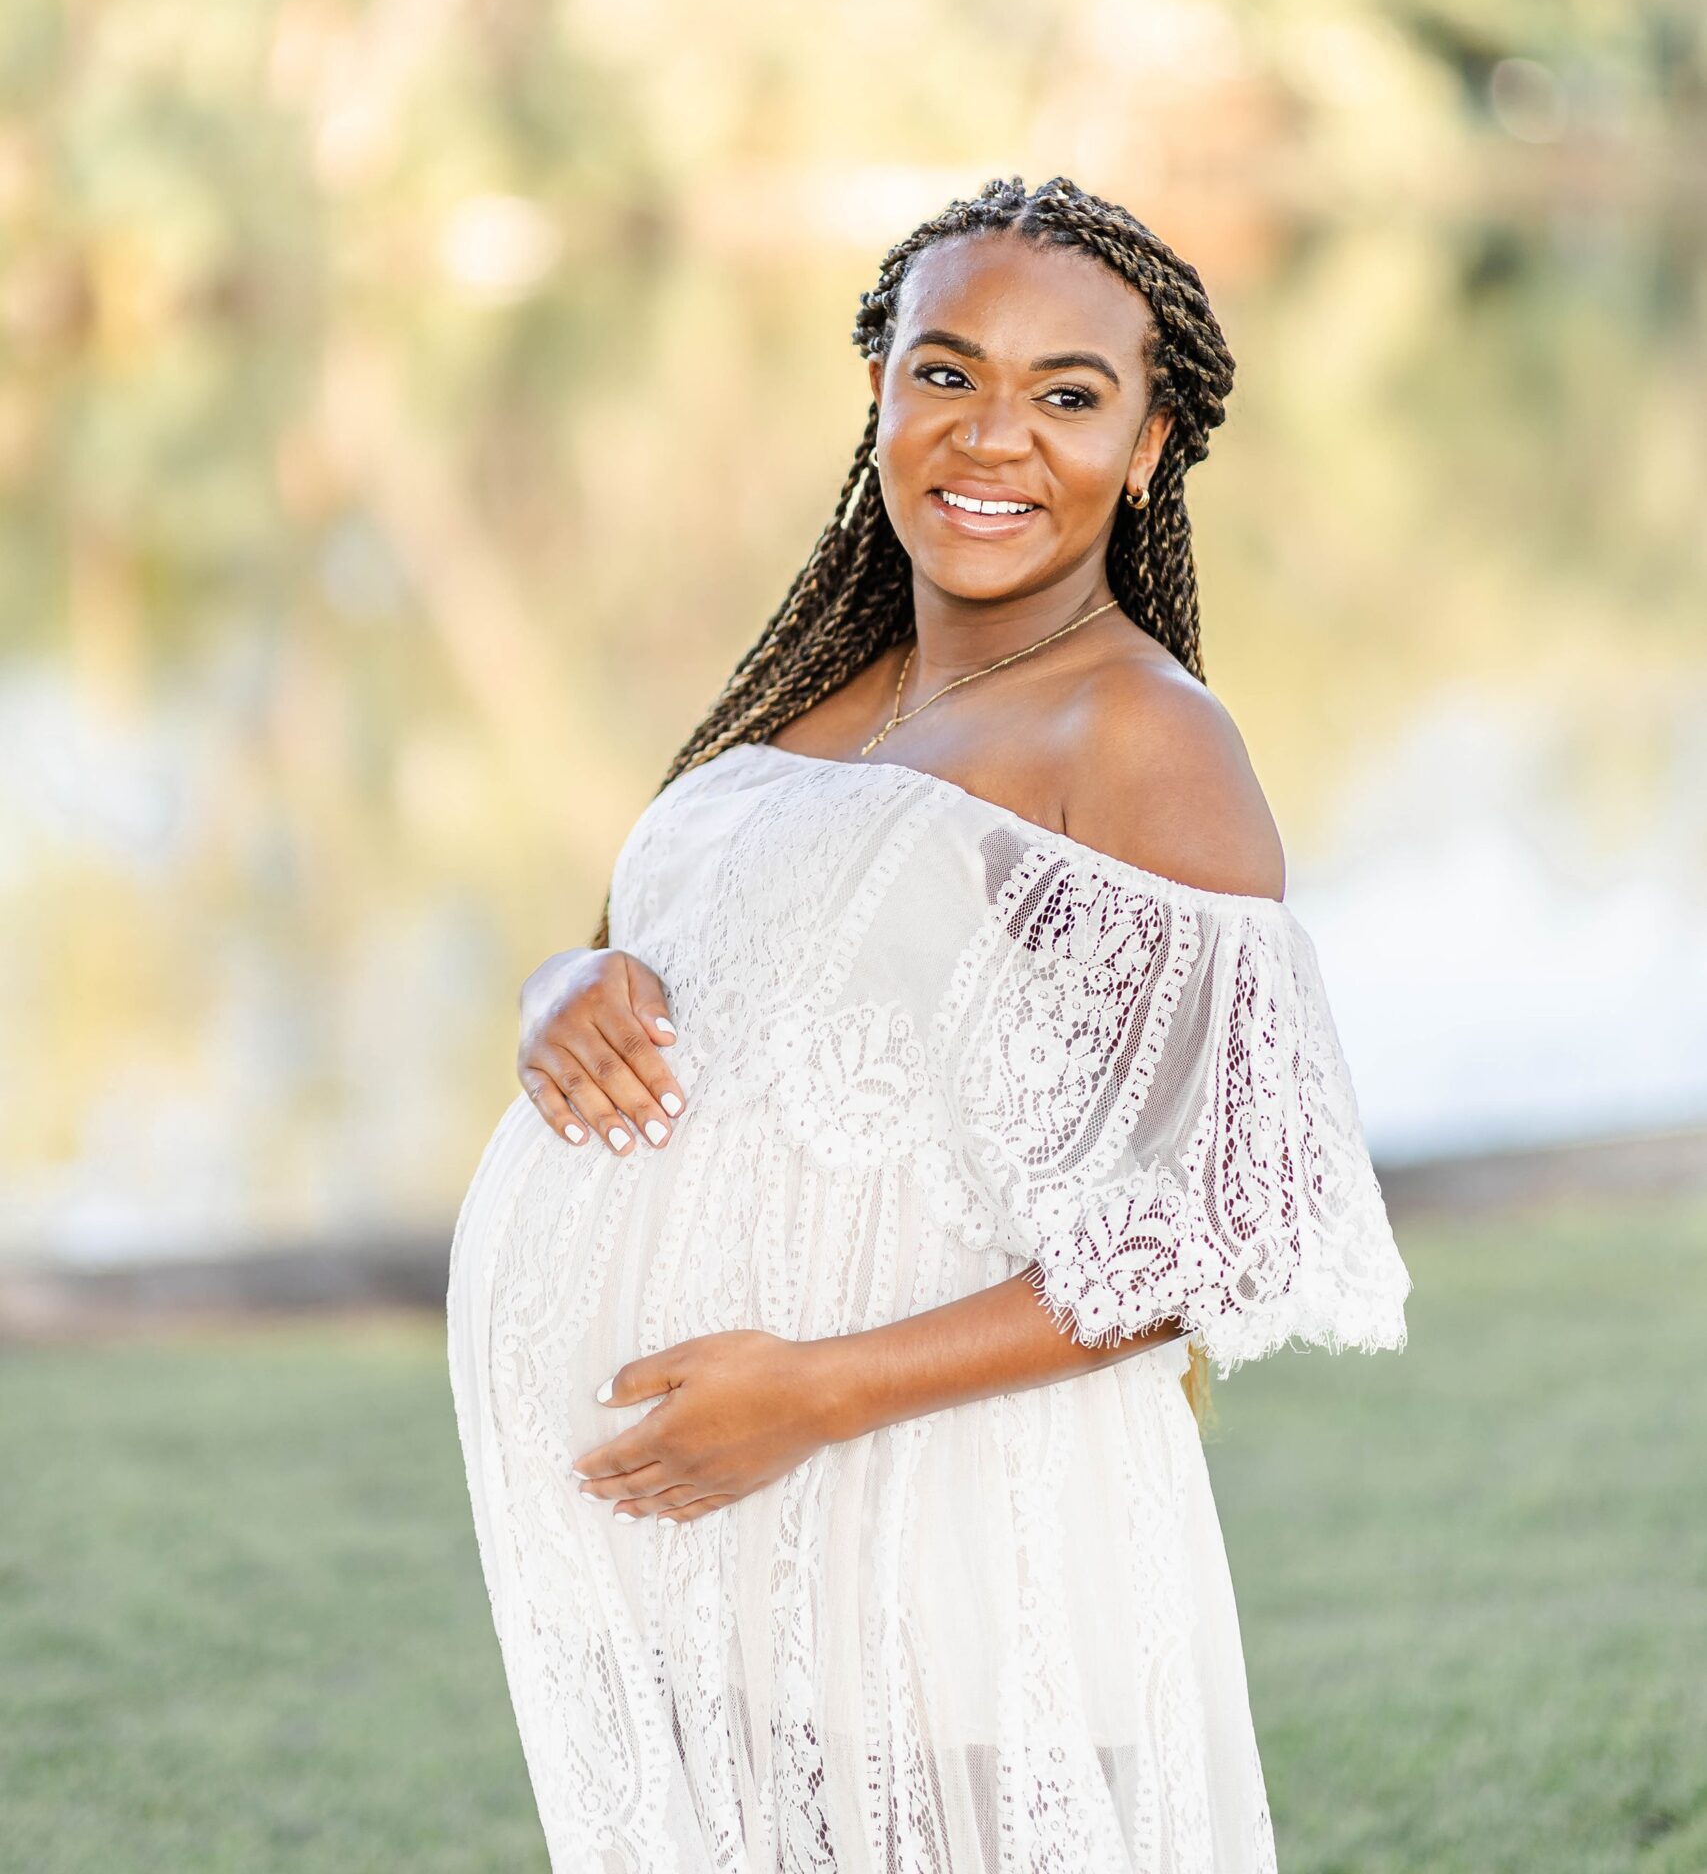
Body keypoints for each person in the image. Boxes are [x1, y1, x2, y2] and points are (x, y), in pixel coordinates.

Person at [447, 174, 1412, 1874]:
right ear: (880, 391)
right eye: (947, 373)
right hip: (750, 1560)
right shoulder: (833, 682)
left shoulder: (1140, 740)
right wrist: (559, 993)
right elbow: (697, 969)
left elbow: (1224, 1217)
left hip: (947, 1548)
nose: (992, 438)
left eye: (1067, 395)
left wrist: (816, 1392)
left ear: (1149, 445)